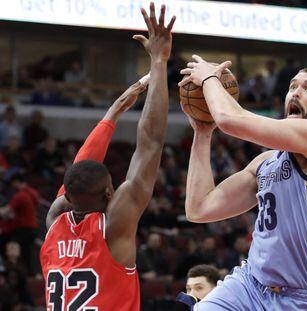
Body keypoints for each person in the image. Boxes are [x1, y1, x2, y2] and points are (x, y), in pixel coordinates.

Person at [179, 56, 307, 310]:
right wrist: (202, 134)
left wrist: (209, 78)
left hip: (300, 298)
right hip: (250, 284)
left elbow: (228, 120)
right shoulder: (265, 162)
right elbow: (199, 209)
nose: (296, 93)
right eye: (292, 87)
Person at [40, 3, 175, 310]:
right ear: (109, 192)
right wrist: (159, 61)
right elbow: (151, 142)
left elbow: (77, 175)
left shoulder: (52, 225)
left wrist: (113, 112)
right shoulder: (114, 226)